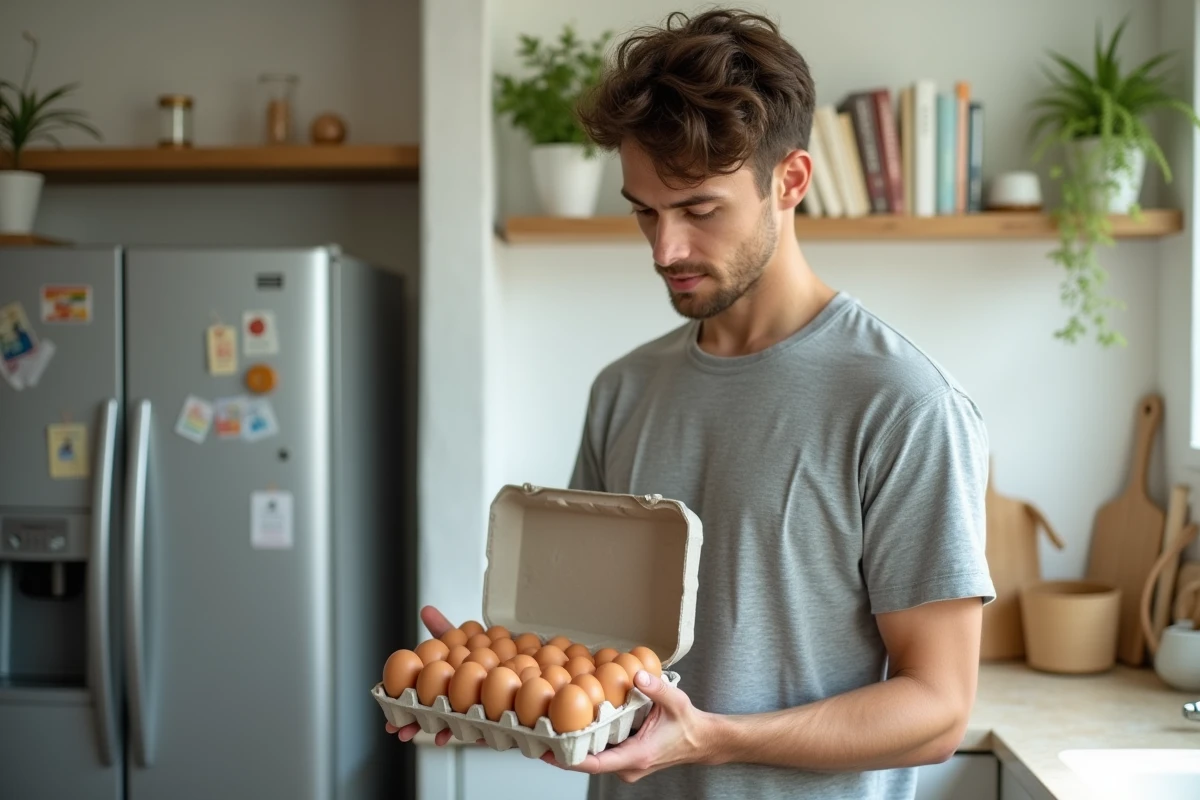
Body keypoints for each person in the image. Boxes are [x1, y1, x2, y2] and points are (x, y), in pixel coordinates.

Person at [389, 8, 996, 799]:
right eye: (645, 209)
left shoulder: (904, 403)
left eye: (700, 210)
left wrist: (712, 741)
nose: (664, 249)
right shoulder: (625, 390)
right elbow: (593, 651)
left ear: (791, 181)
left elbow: (939, 710)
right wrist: (491, 675)